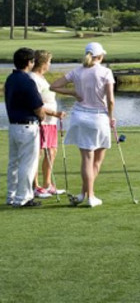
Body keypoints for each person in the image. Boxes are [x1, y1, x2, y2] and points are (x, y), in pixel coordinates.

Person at [51, 42, 115, 208]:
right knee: (96, 161)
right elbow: (111, 100)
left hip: (79, 117)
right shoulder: (106, 72)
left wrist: (72, 92)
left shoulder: (76, 71)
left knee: (88, 158)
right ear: (100, 56)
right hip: (99, 118)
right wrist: (112, 117)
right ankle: (91, 197)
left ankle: (83, 194)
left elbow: (54, 86)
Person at [5, 48, 49, 208]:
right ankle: (23, 197)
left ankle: (11, 196)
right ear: (30, 63)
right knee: (27, 164)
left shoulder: (11, 78)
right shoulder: (27, 81)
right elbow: (38, 108)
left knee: (14, 163)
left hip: (14, 126)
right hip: (27, 126)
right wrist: (43, 117)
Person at [31, 50, 73, 198]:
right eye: (49, 62)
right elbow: (36, 103)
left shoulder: (41, 77)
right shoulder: (33, 78)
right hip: (42, 121)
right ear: (43, 62)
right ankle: (35, 187)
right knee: (39, 153)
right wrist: (55, 113)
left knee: (52, 151)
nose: (50, 65)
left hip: (51, 122)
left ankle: (47, 184)